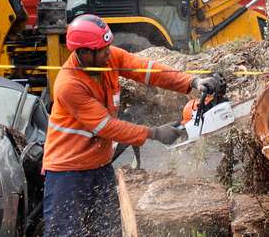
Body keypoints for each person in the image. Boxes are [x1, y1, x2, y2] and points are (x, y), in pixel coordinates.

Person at [42, 14, 223, 237]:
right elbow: (107, 126)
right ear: (84, 53)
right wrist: (154, 133)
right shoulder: (69, 85)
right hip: (68, 174)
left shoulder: (108, 58)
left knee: (108, 231)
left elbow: (148, 70)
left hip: (99, 165)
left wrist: (192, 82)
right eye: (103, 49)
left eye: (108, 46)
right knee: (66, 233)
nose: (109, 52)